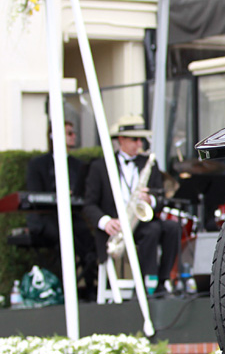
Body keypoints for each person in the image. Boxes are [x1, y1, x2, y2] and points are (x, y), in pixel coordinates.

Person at [83, 115, 180, 293]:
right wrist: (106, 222)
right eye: (134, 139)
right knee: (153, 230)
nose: (139, 144)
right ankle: (143, 286)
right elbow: (89, 204)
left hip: (142, 221)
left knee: (172, 228)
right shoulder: (100, 167)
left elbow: (161, 199)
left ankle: (162, 281)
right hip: (117, 225)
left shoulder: (149, 163)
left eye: (141, 139)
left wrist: (150, 200)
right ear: (121, 139)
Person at [25, 121, 97, 300]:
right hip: (46, 217)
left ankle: (90, 285)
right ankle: (62, 288)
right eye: (69, 133)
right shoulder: (38, 164)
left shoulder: (78, 165)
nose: (73, 136)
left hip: (71, 215)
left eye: (73, 133)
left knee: (88, 239)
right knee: (63, 237)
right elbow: (34, 195)